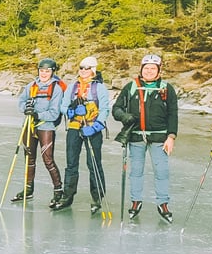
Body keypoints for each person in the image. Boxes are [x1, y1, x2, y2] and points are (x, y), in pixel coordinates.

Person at [112, 53, 179, 222]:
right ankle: (136, 201)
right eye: (146, 68)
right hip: (135, 136)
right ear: (141, 69)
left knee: (162, 171)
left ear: (159, 70)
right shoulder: (131, 87)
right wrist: (123, 116)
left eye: (153, 68)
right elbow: (116, 108)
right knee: (136, 172)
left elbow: (173, 114)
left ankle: (162, 203)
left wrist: (171, 136)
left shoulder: (166, 88)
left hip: (159, 137)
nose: (149, 71)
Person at [52, 56, 110, 213]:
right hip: (74, 127)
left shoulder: (99, 88)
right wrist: (70, 111)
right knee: (71, 163)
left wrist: (97, 125)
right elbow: (63, 106)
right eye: (82, 68)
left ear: (93, 70)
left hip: (92, 128)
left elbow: (105, 109)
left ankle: (97, 196)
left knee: (94, 163)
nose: (84, 71)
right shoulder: (72, 87)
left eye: (87, 68)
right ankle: (67, 196)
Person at [13, 58, 65, 207]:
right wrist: (26, 109)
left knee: (48, 159)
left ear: (52, 72)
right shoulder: (31, 85)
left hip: (46, 126)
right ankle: (28, 189)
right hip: (29, 125)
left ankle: (58, 190)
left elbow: (54, 113)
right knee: (29, 158)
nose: (44, 73)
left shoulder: (56, 89)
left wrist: (37, 114)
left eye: (47, 71)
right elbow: (21, 102)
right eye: (41, 70)